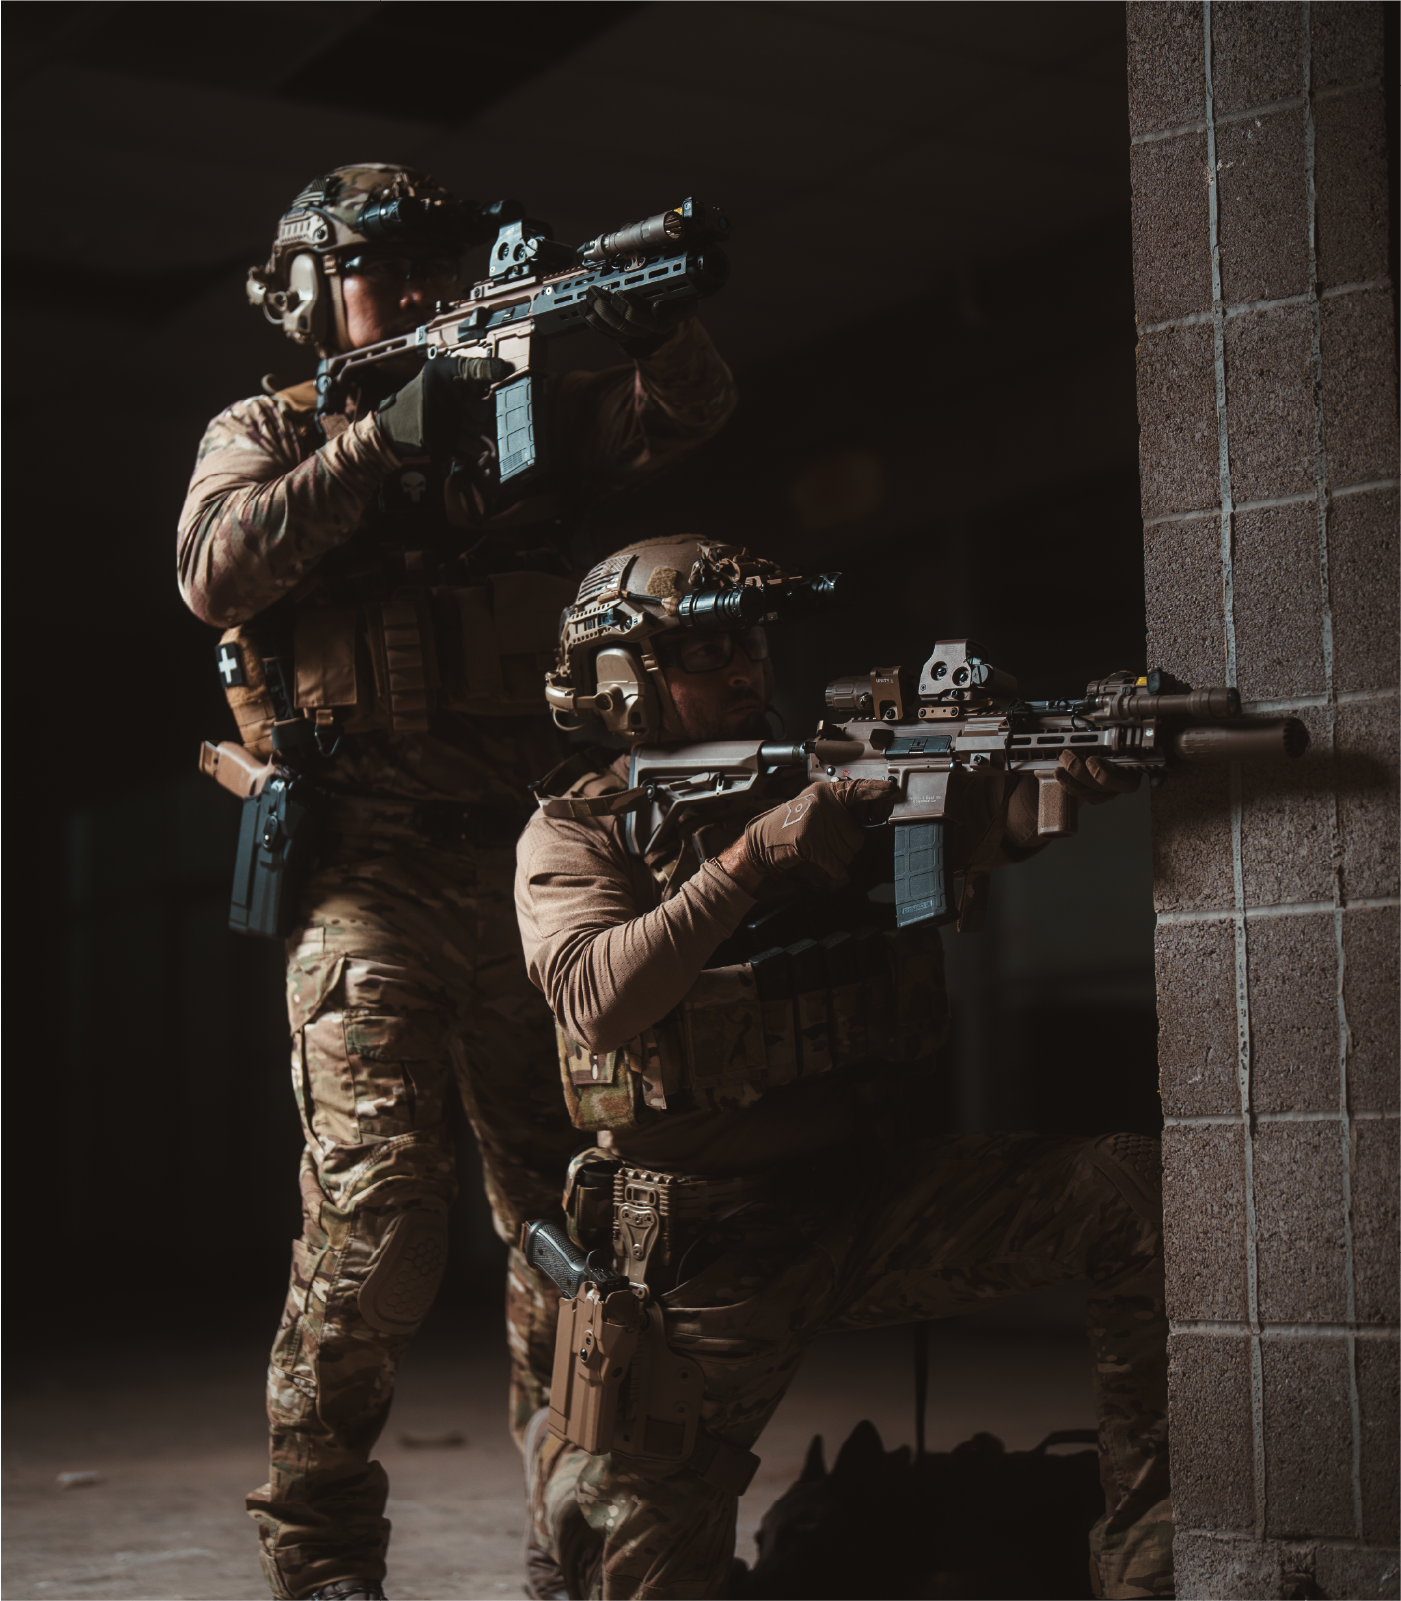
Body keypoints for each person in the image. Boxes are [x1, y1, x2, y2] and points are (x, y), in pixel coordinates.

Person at [176, 166, 738, 1601]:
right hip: (364, 877)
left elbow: (678, 423)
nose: (419, 288)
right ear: (310, 292)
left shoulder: (517, 419)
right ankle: (320, 1558)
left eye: (434, 264)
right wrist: (379, 440)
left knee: (570, 1225)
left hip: (527, 873)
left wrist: (649, 323)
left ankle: (577, 1541)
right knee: (375, 1226)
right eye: (383, 267)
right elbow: (216, 573)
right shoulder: (269, 429)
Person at [514, 535, 1172, 1600]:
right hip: (701, 1248)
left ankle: (1150, 1562)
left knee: (1130, 1188)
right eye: (706, 650)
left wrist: (1063, 774)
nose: (744, 671)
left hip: (867, 1199)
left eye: (750, 647)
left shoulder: (830, 777)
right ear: (622, 682)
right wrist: (750, 861)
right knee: (625, 1574)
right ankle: (579, 1498)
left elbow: (984, 826)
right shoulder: (579, 831)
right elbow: (598, 992)